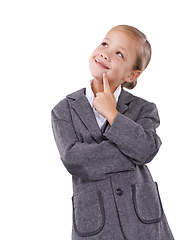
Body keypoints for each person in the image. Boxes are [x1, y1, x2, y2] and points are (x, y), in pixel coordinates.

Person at [51, 25, 174, 240]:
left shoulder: (144, 109)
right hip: (95, 224)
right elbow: (75, 161)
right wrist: (133, 155)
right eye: (105, 44)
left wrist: (114, 115)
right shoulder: (63, 110)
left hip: (144, 223)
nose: (105, 53)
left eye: (119, 53)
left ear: (132, 74)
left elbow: (146, 150)